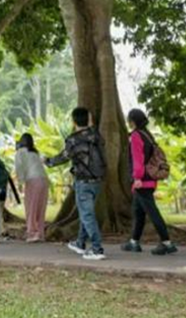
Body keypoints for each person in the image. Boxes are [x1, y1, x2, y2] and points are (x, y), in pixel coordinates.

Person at [45, 107, 106, 260]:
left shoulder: (73, 139)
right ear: (89, 120)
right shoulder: (96, 135)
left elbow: (64, 156)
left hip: (83, 181)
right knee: (85, 213)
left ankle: (97, 249)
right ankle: (80, 243)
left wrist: (47, 161)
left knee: (87, 215)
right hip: (97, 180)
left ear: (73, 121)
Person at [122, 109, 178, 255]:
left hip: (142, 180)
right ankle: (134, 242)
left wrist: (137, 178)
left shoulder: (136, 136)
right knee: (138, 212)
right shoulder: (148, 135)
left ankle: (167, 242)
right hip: (150, 179)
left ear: (132, 121)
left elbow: (138, 159)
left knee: (152, 212)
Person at [15, 133, 49, 243]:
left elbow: (19, 168)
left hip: (33, 181)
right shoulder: (35, 153)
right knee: (40, 208)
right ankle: (40, 233)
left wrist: (20, 182)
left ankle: (32, 233)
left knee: (31, 207)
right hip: (44, 180)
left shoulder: (20, 152)